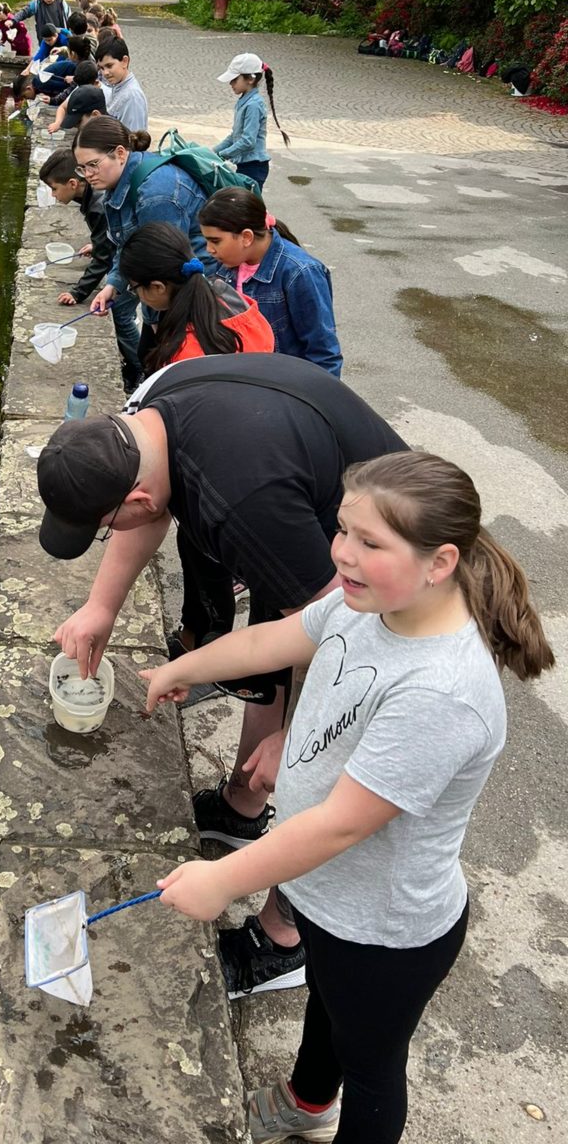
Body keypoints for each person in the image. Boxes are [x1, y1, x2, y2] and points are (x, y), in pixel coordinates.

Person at [142, 450, 553, 1144]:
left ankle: (329, 1109)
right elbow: (279, 638)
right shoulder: (368, 601)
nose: (344, 554)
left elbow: (340, 825)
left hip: (385, 927)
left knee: (370, 1068)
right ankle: (307, 1104)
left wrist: (222, 879)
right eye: (342, 531)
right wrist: (183, 666)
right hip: (325, 896)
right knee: (324, 1010)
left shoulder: (444, 692)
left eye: (369, 542)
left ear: (441, 562)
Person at [37, 353, 409, 998]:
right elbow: (151, 514)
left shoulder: (242, 502)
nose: (107, 533)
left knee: (318, 772)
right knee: (276, 647)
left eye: (101, 528)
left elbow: (349, 640)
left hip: (386, 572)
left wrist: (301, 737)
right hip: (312, 529)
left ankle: (284, 938)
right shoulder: (152, 412)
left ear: (134, 496)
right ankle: (242, 809)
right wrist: (101, 607)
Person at [76, 115, 208, 393]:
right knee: (150, 359)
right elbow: (128, 242)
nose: (88, 175)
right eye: (81, 168)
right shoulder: (120, 182)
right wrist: (113, 284)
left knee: (170, 370)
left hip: (195, 281)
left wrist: (158, 321)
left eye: (93, 165)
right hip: (165, 283)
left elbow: (163, 269)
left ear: (120, 153)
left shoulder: (156, 194)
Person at [199, 189, 342, 376]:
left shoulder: (300, 272)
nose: (209, 249)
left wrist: (311, 402)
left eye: (215, 241)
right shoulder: (226, 266)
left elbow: (324, 354)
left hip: (283, 389)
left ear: (247, 237)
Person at [118, 222, 274, 370]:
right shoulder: (235, 300)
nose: (137, 294)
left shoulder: (183, 356)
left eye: (134, 288)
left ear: (158, 287)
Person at [37, 150, 112, 307]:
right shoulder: (93, 192)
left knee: (122, 315)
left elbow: (102, 259)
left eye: (54, 189)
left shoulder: (98, 208)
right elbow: (107, 235)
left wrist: (78, 293)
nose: (53, 195)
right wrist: (97, 245)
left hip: (136, 262)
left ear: (73, 183)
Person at [213, 53, 290, 188]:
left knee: (244, 207)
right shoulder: (243, 101)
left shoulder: (253, 105)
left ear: (250, 79)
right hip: (245, 165)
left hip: (254, 168)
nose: (231, 83)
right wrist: (212, 152)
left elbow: (248, 141)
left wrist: (223, 155)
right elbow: (234, 136)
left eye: (234, 79)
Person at [98, 39, 149, 129]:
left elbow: (134, 138)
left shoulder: (132, 96)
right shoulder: (117, 86)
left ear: (125, 61)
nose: (105, 72)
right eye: (101, 68)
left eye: (109, 66)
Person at [45, 61, 103, 134]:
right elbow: (62, 107)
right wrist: (58, 123)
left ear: (96, 83)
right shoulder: (79, 89)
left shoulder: (104, 94)